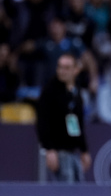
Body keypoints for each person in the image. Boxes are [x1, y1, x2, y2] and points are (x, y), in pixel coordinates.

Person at [36, 53, 91, 183]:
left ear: (75, 70)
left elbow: (78, 124)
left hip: (73, 151)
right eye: (60, 67)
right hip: (58, 151)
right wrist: (49, 149)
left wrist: (84, 150)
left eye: (66, 67)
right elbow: (42, 122)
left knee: (78, 185)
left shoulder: (76, 92)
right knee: (65, 190)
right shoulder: (50, 91)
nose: (62, 71)